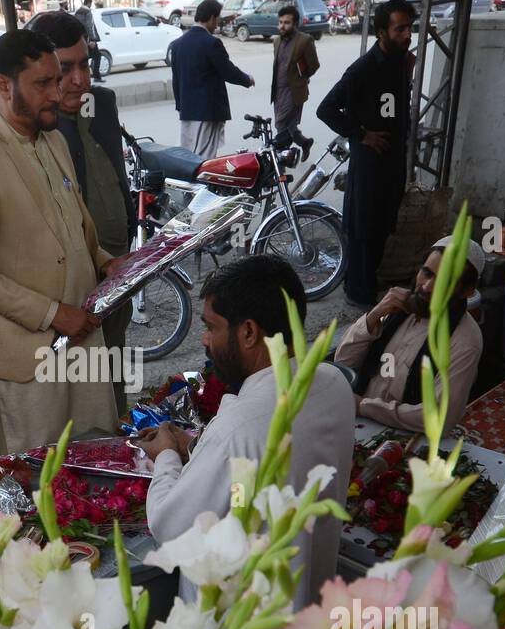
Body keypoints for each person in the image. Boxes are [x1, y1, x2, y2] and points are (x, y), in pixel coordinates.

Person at [0, 31, 120, 455]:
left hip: (82, 337)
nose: (58, 93)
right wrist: (56, 315)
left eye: (57, 81)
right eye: (43, 84)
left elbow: (75, 228)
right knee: (39, 480)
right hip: (26, 356)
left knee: (98, 459)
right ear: (4, 86)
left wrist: (107, 263)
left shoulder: (53, 139)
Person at [138, 256, 354, 608]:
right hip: (311, 609)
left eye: (211, 327)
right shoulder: (332, 384)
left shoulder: (240, 426)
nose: (205, 341)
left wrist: (165, 454)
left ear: (249, 332)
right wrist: (196, 448)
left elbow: (168, 525)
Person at [28, 11, 136, 415]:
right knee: (83, 385)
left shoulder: (101, 103)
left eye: (85, 63)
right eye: (66, 69)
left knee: (115, 365)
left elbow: (115, 172)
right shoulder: (40, 125)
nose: (81, 80)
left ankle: (120, 432)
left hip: (119, 267)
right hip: (73, 283)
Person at [316, 0, 415, 309]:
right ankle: (359, 296)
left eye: (409, 28)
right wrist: (362, 135)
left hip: (393, 164)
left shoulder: (402, 62)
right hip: (370, 166)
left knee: (384, 227)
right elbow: (326, 109)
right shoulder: (363, 69)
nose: (407, 34)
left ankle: (367, 284)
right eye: (400, 29)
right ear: (382, 32)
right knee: (364, 230)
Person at [333, 236, 485, 432]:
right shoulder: (398, 307)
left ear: (467, 291)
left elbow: (440, 417)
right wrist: (373, 316)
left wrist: (364, 406)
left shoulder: (465, 341)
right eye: (427, 273)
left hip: (404, 437)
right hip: (357, 422)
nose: (427, 286)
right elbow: (343, 364)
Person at [169, 0, 255, 159]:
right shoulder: (211, 43)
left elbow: (176, 79)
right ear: (211, 18)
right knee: (203, 159)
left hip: (187, 110)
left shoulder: (177, 44)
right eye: (217, 19)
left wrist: (181, 105)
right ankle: (201, 185)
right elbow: (228, 71)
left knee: (187, 157)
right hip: (207, 111)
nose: (217, 24)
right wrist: (247, 79)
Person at [270, 4, 319, 153]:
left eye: (287, 23)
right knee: (289, 125)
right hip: (278, 91)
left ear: (295, 24)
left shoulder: (305, 40)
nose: (282, 26)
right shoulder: (277, 41)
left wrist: (302, 78)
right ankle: (304, 143)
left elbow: (314, 65)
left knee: (280, 124)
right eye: (280, 22)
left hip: (294, 91)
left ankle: (281, 160)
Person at [74, 0, 104, 82]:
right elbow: (89, 26)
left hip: (81, 40)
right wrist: (92, 40)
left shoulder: (78, 12)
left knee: (85, 58)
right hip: (89, 40)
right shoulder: (87, 12)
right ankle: (96, 76)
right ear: (89, 3)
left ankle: (85, 77)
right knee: (97, 56)